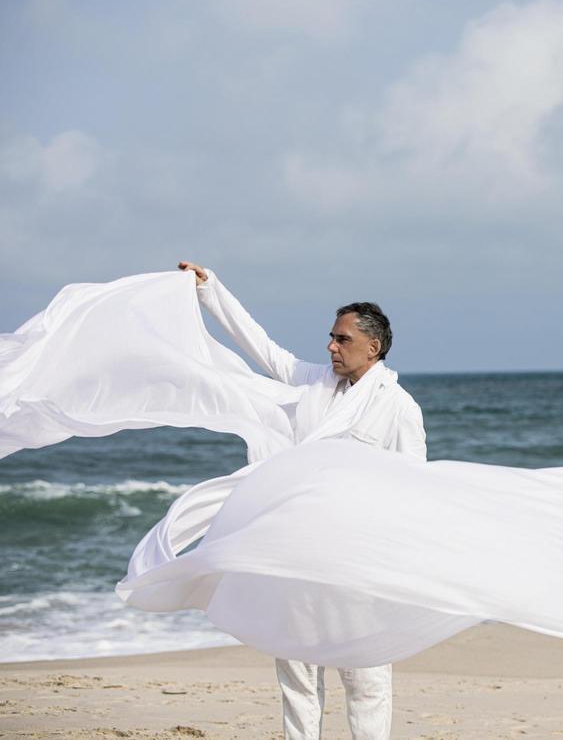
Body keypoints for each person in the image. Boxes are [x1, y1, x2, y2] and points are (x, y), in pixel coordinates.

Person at [177, 261, 426, 740]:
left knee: (365, 677)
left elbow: (413, 487)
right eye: (331, 338)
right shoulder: (311, 381)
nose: (331, 346)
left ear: (373, 348)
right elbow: (261, 347)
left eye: (343, 339)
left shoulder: (399, 407)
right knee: (296, 673)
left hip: (359, 561)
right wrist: (211, 291)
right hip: (295, 552)